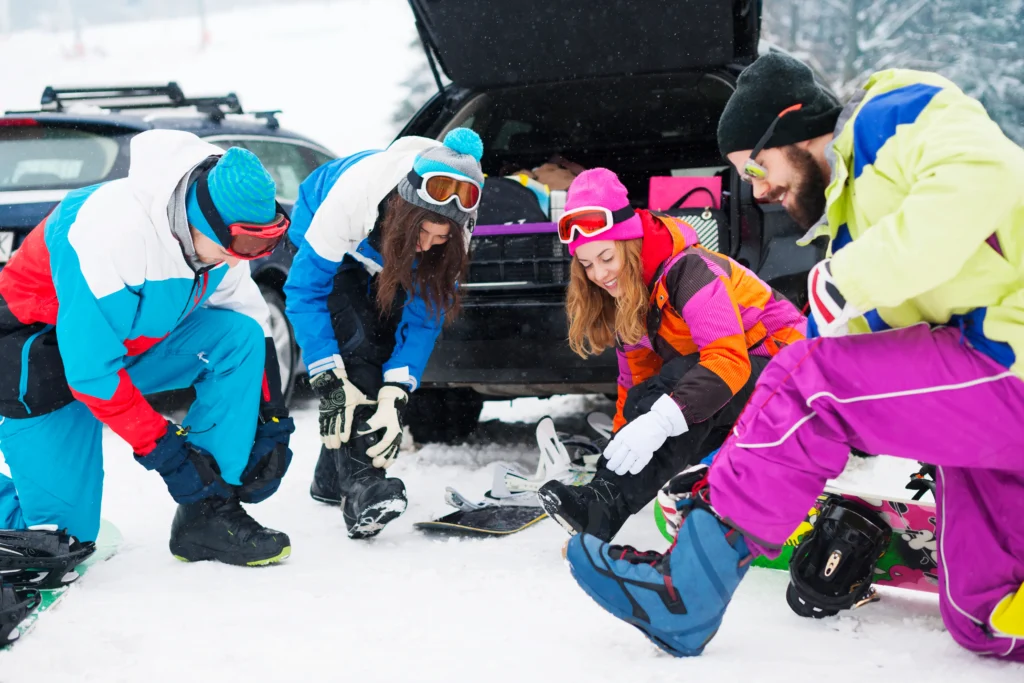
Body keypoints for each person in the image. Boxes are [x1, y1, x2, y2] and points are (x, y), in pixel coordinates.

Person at [562, 53, 1024, 661]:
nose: (759, 190)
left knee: (808, 383)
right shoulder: (850, 228)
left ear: (793, 127)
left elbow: (984, 179)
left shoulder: (899, 114)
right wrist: (739, 464)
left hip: (1005, 359)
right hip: (988, 408)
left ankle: (686, 594)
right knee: (980, 614)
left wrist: (848, 278)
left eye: (757, 167)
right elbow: (855, 377)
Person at [0, 130, 295, 569]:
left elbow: (252, 320)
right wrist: (169, 455)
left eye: (262, 246)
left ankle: (207, 513)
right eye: (242, 245)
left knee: (236, 338)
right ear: (201, 219)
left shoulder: (217, 248)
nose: (243, 259)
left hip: (124, 352)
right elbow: (92, 374)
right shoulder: (110, 234)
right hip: (44, 368)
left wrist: (273, 421)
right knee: (58, 543)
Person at [537, 168, 805, 541]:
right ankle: (600, 504)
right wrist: (618, 456)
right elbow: (635, 386)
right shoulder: (629, 299)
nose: (599, 273)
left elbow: (728, 361)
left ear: (630, 243)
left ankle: (607, 508)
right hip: (742, 393)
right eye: (586, 265)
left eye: (606, 257)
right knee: (644, 401)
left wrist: (661, 422)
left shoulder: (689, 272)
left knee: (677, 385)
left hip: (799, 380)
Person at [284, 129, 484, 539]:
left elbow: (425, 316)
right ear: (404, 211)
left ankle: (330, 479)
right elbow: (305, 291)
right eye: (422, 233)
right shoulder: (353, 197)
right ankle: (363, 488)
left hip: (384, 250)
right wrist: (326, 375)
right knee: (359, 340)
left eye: (439, 239)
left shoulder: (456, 230)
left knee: (386, 346)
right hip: (330, 238)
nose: (428, 246)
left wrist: (398, 389)